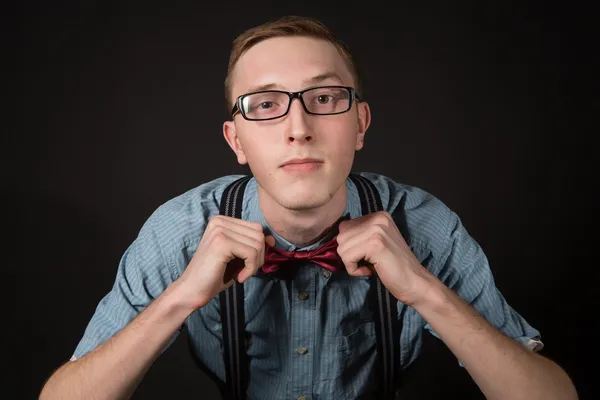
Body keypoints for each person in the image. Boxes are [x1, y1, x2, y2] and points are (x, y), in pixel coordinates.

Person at [39, 15, 578, 400]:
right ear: (236, 141)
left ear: (360, 125)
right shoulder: (179, 230)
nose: (299, 129)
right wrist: (181, 298)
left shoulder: (427, 226)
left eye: (324, 99)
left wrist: (422, 290)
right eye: (266, 105)